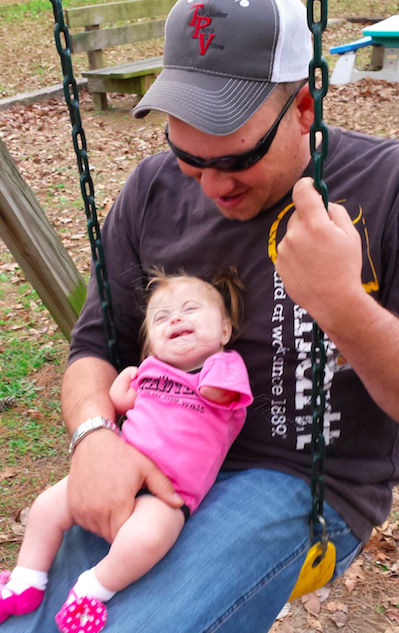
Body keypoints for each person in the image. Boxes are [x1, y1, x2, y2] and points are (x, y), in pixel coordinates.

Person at [3, 0, 399, 630]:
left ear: (303, 108)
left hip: (290, 476)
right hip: (157, 445)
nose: (211, 185)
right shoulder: (151, 191)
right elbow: (94, 349)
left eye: (236, 159)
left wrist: (343, 307)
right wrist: (93, 437)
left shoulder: (386, 188)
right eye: (190, 155)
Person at [0, 272, 253, 632]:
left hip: (169, 490)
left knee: (148, 539)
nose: (176, 319)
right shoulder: (151, 370)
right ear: (151, 343)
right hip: (117, 468)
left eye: (191, 310)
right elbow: (122, 402)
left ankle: (93, 588)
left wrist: (197, 358)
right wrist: (126, 380)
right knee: (47, 506)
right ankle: (27, 580)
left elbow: (219, 395)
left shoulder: (223, 366)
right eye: (162, 318)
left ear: (225, 331)